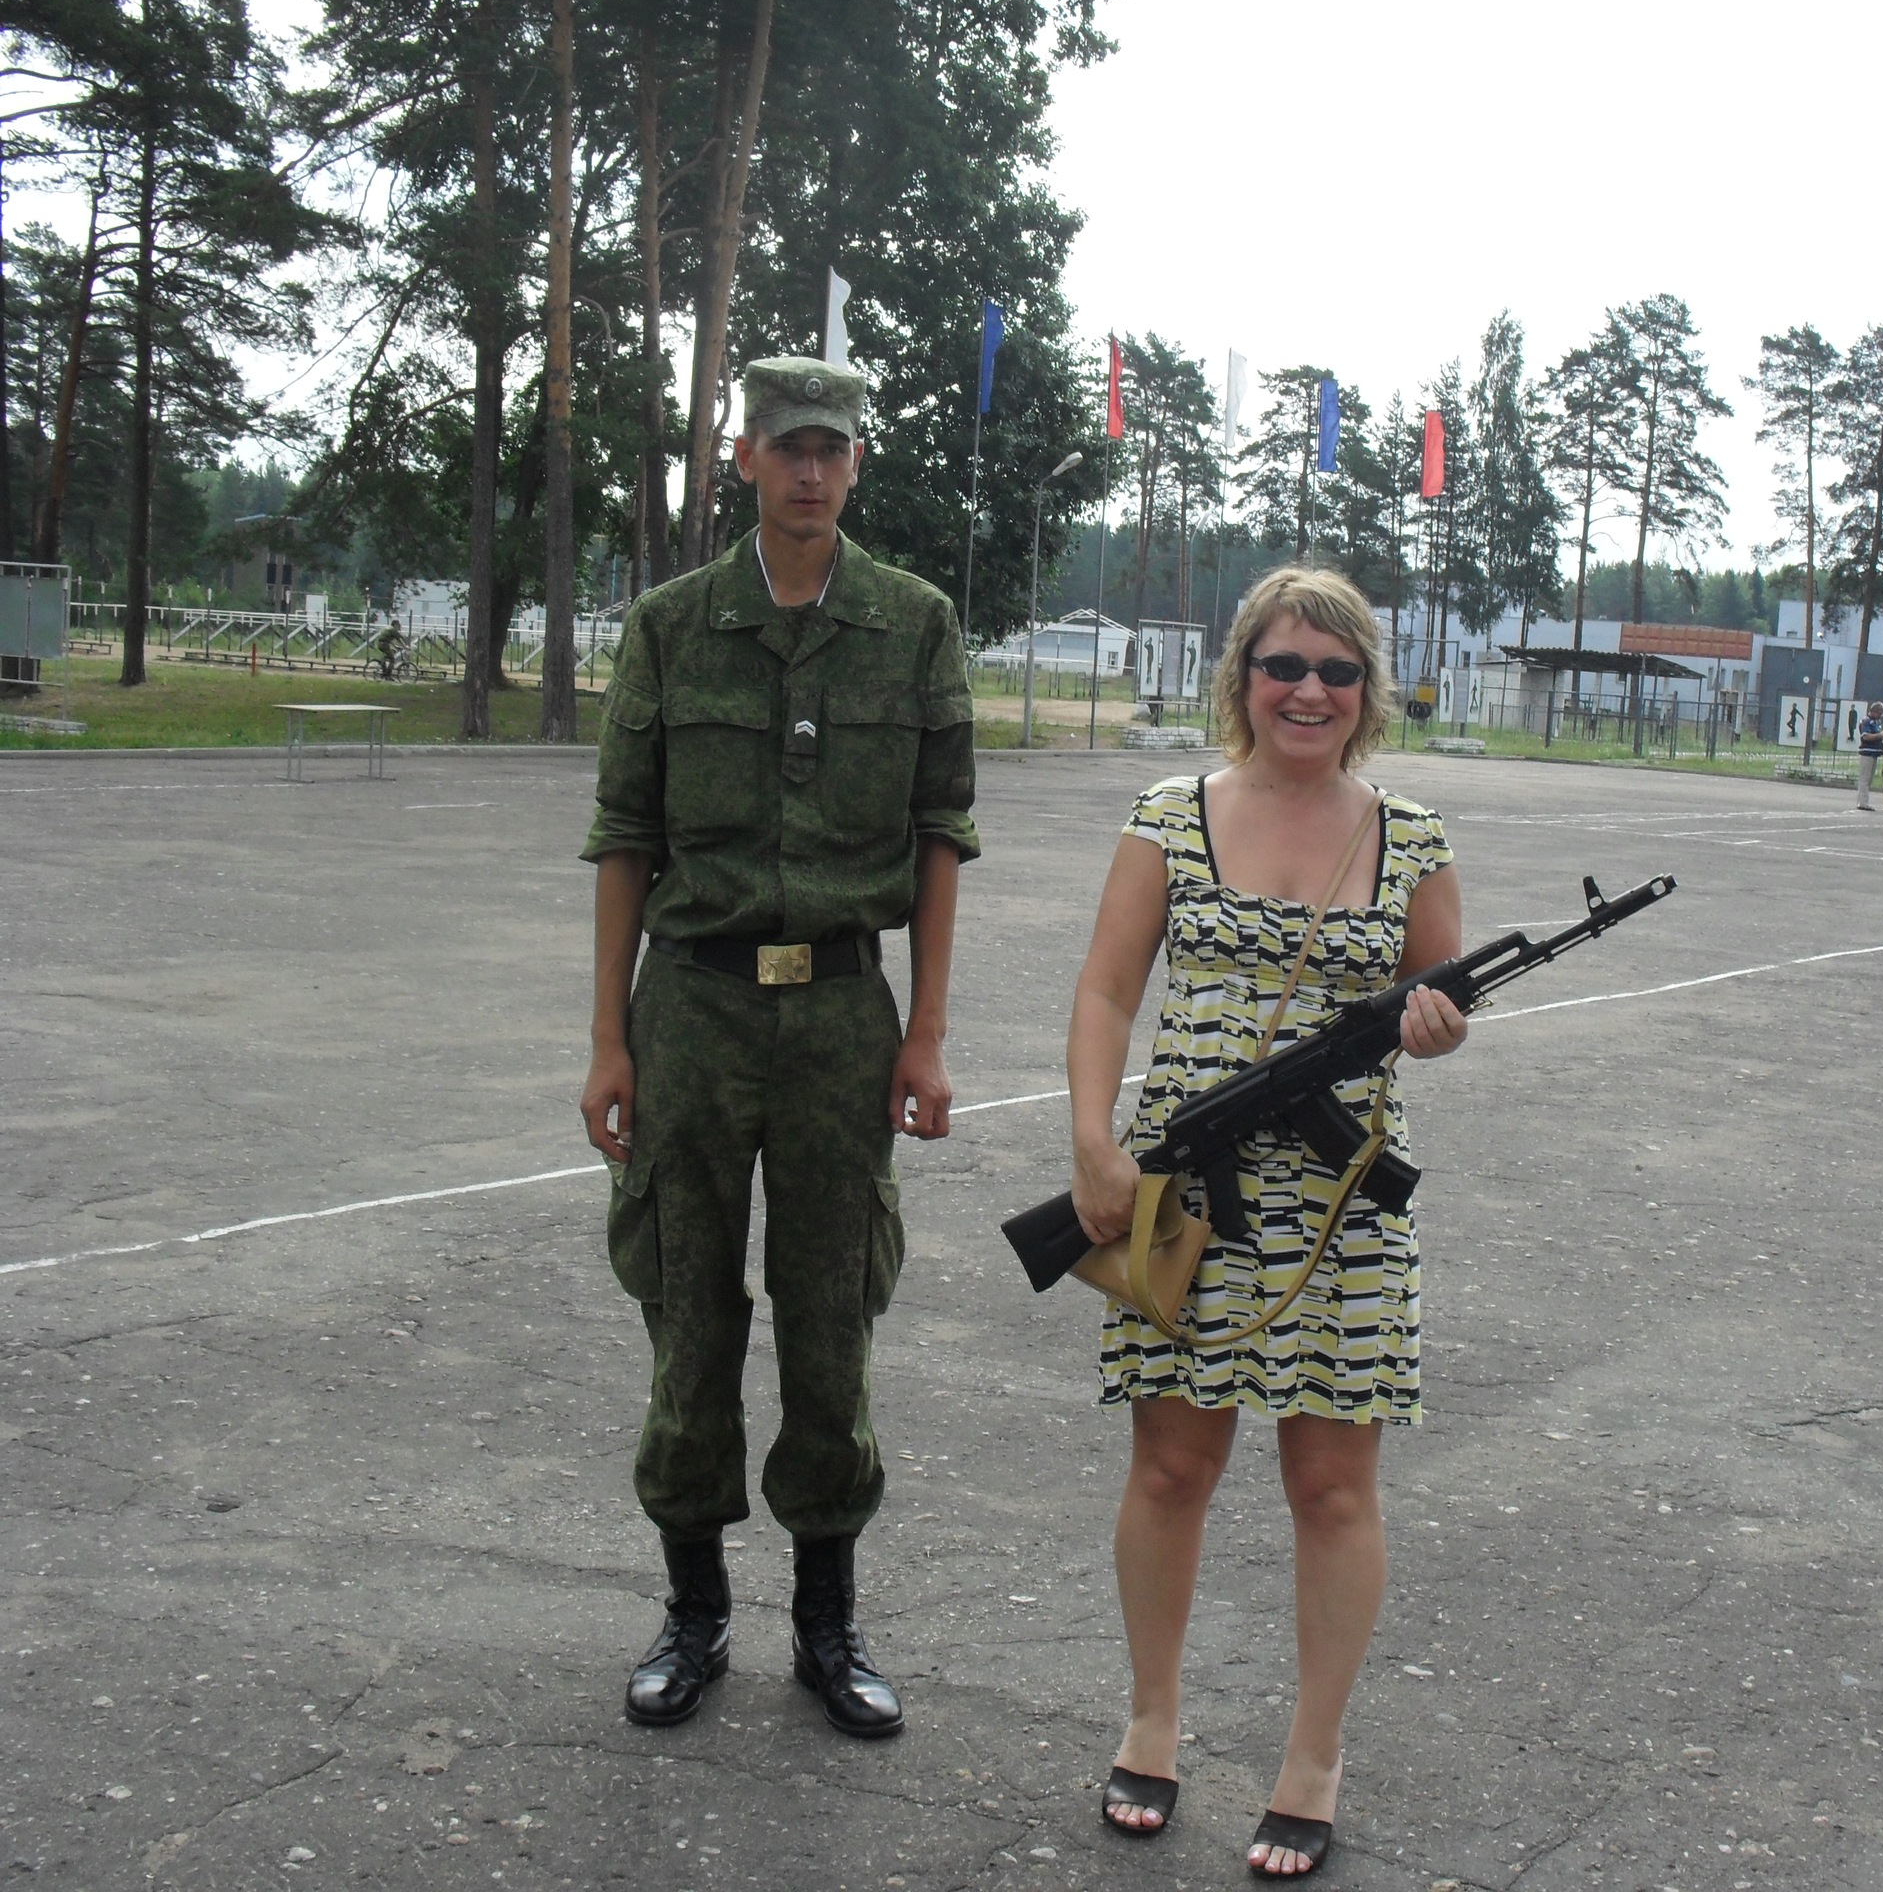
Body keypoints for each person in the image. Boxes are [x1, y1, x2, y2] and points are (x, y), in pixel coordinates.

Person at [576, 355, 978, 1740]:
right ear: (741, 457)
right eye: (787, 446)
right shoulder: (671, 626)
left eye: (832, 449)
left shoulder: (914, 625)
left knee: (830, 1317)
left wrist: (926, 1033)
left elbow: (940, 839)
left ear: (857, 463)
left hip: (842, 1020)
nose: (811, 470)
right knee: (687, 1310)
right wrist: (608, 1041)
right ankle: (693, 1612)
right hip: (691, 1010)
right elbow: (626, 839)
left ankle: (826, 1622)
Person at [1066, 566, 1467, 1879]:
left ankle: (1313, 1755)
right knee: (1170, 1472)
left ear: (1368, 692)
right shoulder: (1171, 816)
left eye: (1337, 672)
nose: (1309, 691)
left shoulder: (1410, 839)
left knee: (1333, 1490)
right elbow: (1106, 992)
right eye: (1285, 665)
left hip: (1344, 1208)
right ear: (1243, 676)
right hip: (1190, 1191)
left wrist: (1438, 1026)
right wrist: (1092, 1143)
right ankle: (1152, 1719)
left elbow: (1439, 996)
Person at [1855, 699, 1883, 810]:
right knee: (1864, 778)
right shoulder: (1867, 721)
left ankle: (1864, 801)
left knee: (1869, 779)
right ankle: (1862, 802)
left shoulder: (1876, 722)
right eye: (1879, 713)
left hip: (1874, 753)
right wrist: (1881, 736)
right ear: (1873, 711)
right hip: (1867, 753)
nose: (1880, 716)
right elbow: (1866, 736)